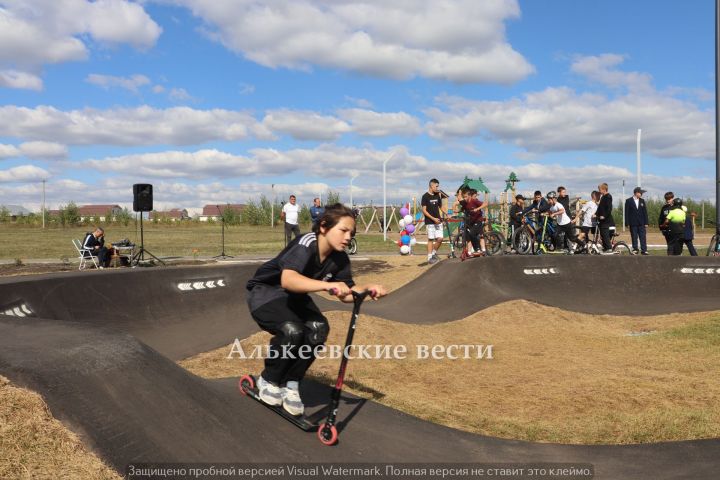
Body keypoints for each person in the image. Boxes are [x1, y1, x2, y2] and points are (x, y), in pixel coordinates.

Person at [245, 204, 387, 416]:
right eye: (343, 231)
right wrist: (326, 285)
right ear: (323, 227)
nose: (348, 237)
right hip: (266, 292)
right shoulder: (306, 244)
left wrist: (366, 289)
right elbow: (288, 280)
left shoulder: (340, 258)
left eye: (352, 233)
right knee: (292, 330)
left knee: (319, 328)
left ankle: (290, 383)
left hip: (294, 296)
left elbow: (346, 293)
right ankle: (269, 379)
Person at [421, 178, 447, 264]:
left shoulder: (437, 195)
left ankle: (433, 253)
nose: (437, 187)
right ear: (431, 185)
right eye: (436, 186)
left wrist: (446, 213)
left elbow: (441, 206)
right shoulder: (425, 196)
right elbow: (424, 210)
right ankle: (429, 258)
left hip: (438, 221)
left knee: (440, 238)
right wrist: (433, 219)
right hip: (430, 221)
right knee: (431, 239)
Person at [456, 188, 486, 256]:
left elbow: (485, 204)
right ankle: (473, 251)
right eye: (464, 197)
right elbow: (462, 209)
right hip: (471, 221)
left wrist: (477, 209)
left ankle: (478, 249)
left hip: (478, 220)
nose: (465, 198)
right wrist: (456, 211)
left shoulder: (474, 201)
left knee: (472, 234)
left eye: (466, 197)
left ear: (469, 195)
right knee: (470, 235)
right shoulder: (465, 203)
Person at [624, 187, 649, 255]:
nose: (641, 194)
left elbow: (645, 212)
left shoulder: (642, 201)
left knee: (643, 236)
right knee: (634, 236)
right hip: (633, 223)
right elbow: (626, 213)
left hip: (642, 223)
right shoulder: (628, 201)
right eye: (640, 193)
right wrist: (627, 223)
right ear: (636, 193)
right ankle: (635, 249)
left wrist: (646, 222)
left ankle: (644, 250)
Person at [596, 183, 615, 253]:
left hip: (606, 220)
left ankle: (609, 248)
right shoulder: (603, 197)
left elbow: (609, 208)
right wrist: (595, 214)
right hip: (601, 220)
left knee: (605, 233)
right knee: (602, 234)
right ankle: (605, 248)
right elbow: (600, 208)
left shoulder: (608, 196)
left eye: (599, 189)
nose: (599, 191)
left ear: (604, 189)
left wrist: (604, 216)